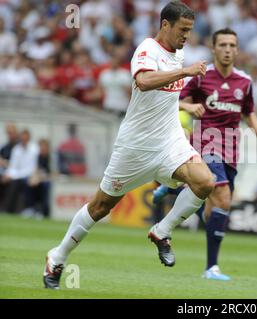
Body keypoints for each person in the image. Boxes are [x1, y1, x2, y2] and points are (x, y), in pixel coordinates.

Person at [43, 1, 215, 290]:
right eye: (182, 30)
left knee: (205, 182)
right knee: (100, 207)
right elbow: (145, 82)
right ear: (165, 25)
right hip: (135, 147)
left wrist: (184, 103)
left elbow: (164, 97)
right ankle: (57, 256)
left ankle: (162, 231)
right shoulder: (147, 50)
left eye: (190, 30)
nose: (187, 36)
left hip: (169, 141)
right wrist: (185, 72)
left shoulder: (178, 52)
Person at [152, 28, 257, 281]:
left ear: (237, 50)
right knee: (223, 197)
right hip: (205, 144)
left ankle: (173, 189)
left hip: (231, 149)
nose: (228, 49)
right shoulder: (201, 78)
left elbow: (249, 111)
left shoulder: (244, 82)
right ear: (214, 48)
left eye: (232, 45)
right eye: (223, 44)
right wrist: (189, 105)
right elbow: (175, 100)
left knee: (214, 206)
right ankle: (212, 267)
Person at [1, 129, 39, 214]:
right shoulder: (16, 149)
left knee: (18, 183)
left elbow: (31, 168)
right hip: (17, 176)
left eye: (25, 138)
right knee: (5, 181)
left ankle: (26, 208)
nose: (24, 140)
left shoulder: (34, 149)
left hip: (28, 176)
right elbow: (13, 166)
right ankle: (6, 208)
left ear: (29, 138)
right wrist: (8, 174)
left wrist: (13, 176)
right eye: (22, 138)